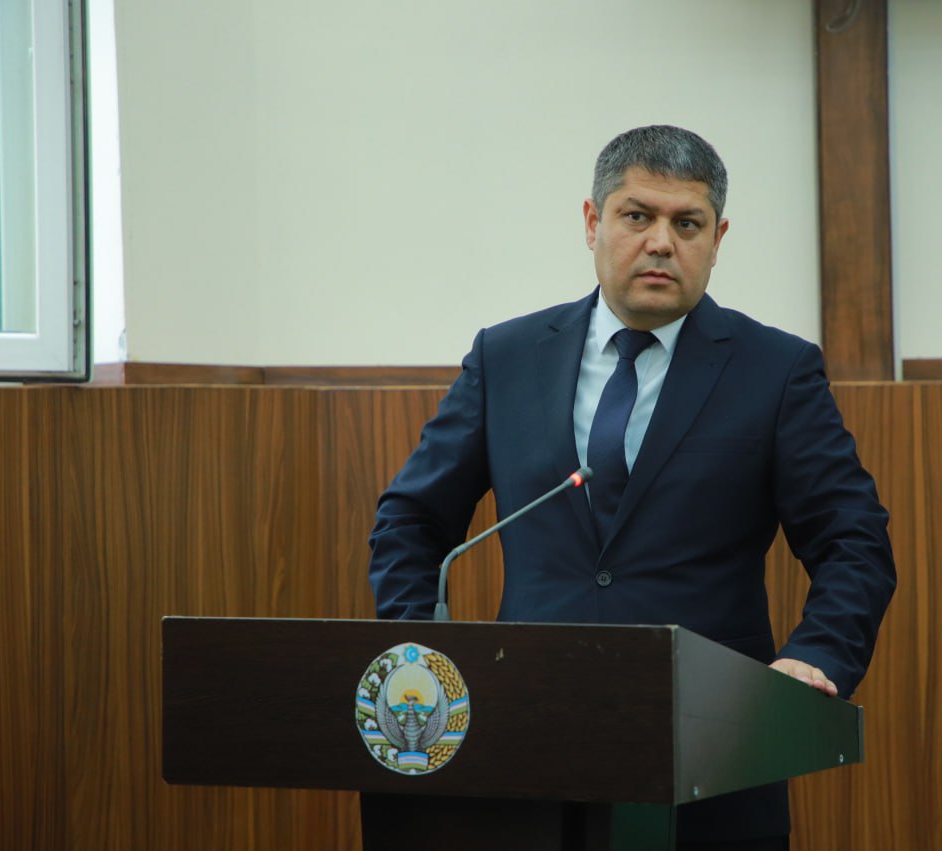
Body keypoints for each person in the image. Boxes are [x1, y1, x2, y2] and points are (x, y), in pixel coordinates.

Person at [369, 124, 896, 848]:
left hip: (713, 754)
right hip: (521, 744)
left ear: (718, 238)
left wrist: (818, 654)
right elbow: (411, 520)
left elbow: (853, 540)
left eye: (688, 224)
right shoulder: (507, 357)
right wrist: (424, 657)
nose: (661, 243)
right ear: (593, 222)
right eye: (637, 216)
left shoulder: (776, 371)